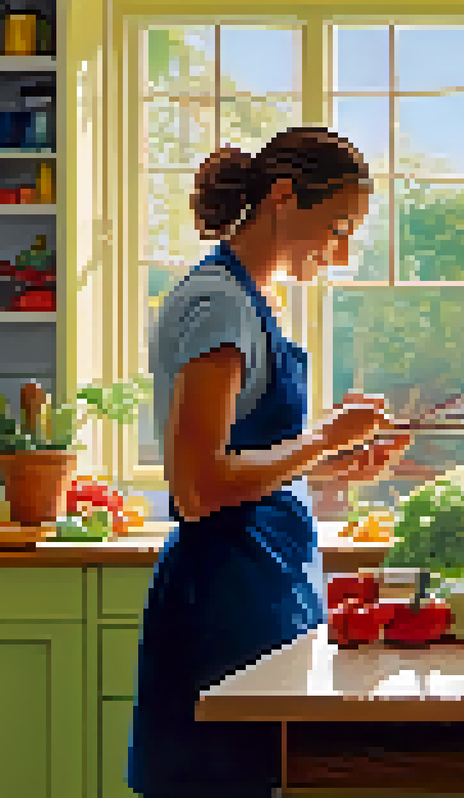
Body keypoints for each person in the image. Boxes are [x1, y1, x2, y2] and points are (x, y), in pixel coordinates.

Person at [127, 127, 413, 797]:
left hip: (263, 586)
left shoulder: (252, 301)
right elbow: (198, 486)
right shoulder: (219, 306)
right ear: (284, 197)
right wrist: (323, 439)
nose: (341, 254)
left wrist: (333, 466)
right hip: (226, 601)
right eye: (337, 227)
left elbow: (244, 465)